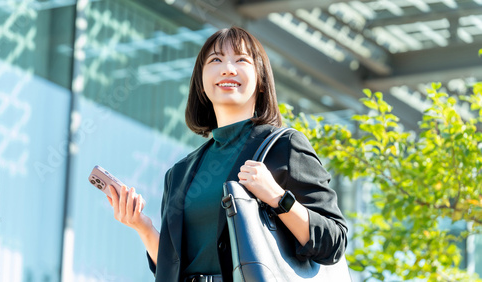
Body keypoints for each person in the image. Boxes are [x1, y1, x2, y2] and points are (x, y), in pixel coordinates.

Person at [106, 26, 347, 282]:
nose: (228, 68)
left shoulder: (284, 146)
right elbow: (174, 267)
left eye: (241, 60)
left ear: (262, 80)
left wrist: (277, 198)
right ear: (201, 83)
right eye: (216, 60)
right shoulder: (179, 174)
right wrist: (142, 226)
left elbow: (333, 242)